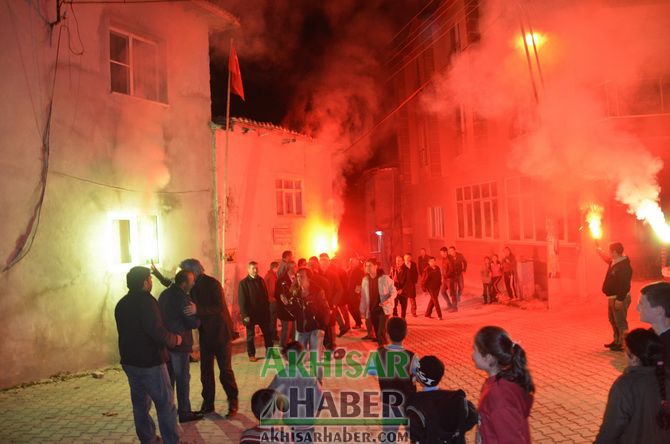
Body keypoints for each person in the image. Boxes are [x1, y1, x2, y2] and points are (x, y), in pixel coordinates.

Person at [115, 266, 182, 444]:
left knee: (140, 405)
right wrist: (175, 339)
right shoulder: (147, 302)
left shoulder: (121, 303)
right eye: (150, 279)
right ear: (145, 282)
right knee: (165, 405)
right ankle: (171, 441)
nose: (152, 282)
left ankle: (148, 439)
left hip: (130, 362)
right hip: (151, 362)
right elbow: (157, 331)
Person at [180, 258, 238, 418]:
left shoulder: (212, 283)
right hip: (205, 334)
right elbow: (174, 285)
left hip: (221, 333)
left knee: (225, 371)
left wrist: (198, 309)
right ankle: (208, 404)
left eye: (185, 272)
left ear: (194, 271)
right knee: (206, 372)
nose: (183, 276)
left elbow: (219, 307)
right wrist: (156, 273)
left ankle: (233, 401)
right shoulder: (191, 285)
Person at [594, 328, 670, 443]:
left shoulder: (626, 385)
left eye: (625, 351)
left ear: (634, 358)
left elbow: (611, 429)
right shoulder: (666, 378)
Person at [472, 326, 534, 444]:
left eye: (475, 350)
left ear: (488, 358)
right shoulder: (500, 382)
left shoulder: (499, 397)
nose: (472, 355)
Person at [157, 270, 202, 423]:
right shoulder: (183, 298)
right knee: (183, 379)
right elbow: (193, 322)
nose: (194, 283)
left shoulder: (164, 295)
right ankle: (184, 412)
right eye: (191, 281)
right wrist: (198, 315)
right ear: (184, 283)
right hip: (180, 344)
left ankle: (170, 412)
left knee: (169, 381)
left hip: (166, 343)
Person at [406, 356, 478, 444]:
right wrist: (457, 432)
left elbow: (413, 433)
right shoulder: (456, 398)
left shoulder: (415, 402)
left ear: (419, 378)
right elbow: (473, 417)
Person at [368, 317, 419, 436]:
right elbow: (418, 375)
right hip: (408, 402)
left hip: (388, 401)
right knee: (414, 434)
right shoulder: (412, 356)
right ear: (406, 333)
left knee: (389, 435)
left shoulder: (377, 353)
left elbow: (372, 372)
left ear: (386, 334)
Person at [269, 341, 323, 442]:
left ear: (285, 357)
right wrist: (316, 416)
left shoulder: (280, 376)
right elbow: (320, 399)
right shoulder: (311, 378)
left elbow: (269, 394)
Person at [281, 268, 329, 356]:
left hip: (315, 328)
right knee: (299, 355)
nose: (299, 279)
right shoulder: (296, 292)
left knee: (315, 356)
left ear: (308, 278)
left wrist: (322, 328)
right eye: (297, 276)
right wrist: (287, 304)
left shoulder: (318, 291)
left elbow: (325, 310)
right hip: (301, 329)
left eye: (302, 276)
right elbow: (294, 313)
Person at [597, 242, 633, 352]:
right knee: (613, 320)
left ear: (615, 252)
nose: (609, 253)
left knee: (620, 321)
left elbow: (625, 285)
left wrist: (620, 299)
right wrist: (599, 251)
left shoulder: (625, 266)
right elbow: (607, 258)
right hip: (612, 297)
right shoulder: (614, 261)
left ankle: (624, 344)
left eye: (610, 251)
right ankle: (617, 340)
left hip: (619, 297)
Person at [238, 261, 274, 362]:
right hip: (250, 314)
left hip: (262, 313)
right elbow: (241, 301)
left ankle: (270, 352)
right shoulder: (243, 283)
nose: (255, 270)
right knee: (250, 336)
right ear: (248, 269)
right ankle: (251, 354)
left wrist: (267, 310)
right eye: (253, 268)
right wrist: (245, 315)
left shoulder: (261, 280)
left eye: (256, 268)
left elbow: (265, 296)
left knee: (267, 333)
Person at [360, 258, 397, 346]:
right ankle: (383, 346)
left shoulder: (384, 278)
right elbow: (363, 296)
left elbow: (394, 291)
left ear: (376, 266)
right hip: (372, 310)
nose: (368, 268)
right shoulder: (365, 280)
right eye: (366, 266)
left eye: (370, 266)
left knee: (381, 332)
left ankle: (383, 351)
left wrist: (388, 300)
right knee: (377, 332)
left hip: (384, 309)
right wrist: (362, 310)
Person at [637, 281, 670, 370]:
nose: (637, 309)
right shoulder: (649, 336)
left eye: (641, 304)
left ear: (658, 310)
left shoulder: (665, 346)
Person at [275, 260, 297, 347]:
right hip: (285, 310)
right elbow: (279, 295)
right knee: (286, 330)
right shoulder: (281, 280)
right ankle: (283, 347)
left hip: (295, 310)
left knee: (295, 330)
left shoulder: (297, 277)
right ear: (289, 268)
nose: (296, 268)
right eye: (294, 267)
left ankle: (295, 347)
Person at [346, 257, 365, 329]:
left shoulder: (359, 271)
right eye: (351, 262)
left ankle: (358, 323)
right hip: (350, 293)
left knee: (354, 308)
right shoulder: (350, 270)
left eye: (354, 262)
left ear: (357, 263)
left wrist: (357, 294)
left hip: (355, 294)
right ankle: (358, 322)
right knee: (351, 308)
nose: (352, 263)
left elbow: (360, 283)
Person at [447, 246, 467, 311]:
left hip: (459, 274)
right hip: (453, 275)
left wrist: (464, 269)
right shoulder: (449, 257)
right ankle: (455, 303)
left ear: (455, 250)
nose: (451, 252)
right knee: (454, 289)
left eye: (452, 251)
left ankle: (459, 295)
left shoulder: (460, 255)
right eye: (450, 251)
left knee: (461, 286)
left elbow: (465, 262)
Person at [264, 261, 280, 343]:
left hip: (269, 300)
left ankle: (271, 335)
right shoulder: (272, 276)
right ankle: (273, 336)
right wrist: (274, 298)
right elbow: (272, 289)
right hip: (272, 301)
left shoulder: (268, 275)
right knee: (272, 320)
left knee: (271, 319)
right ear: (275, 267)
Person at [439, 247, 454, 311]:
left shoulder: (449, 259)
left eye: (441, 253)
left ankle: (454, 307)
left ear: (445, 252)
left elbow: (451, 269)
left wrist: (446, 276)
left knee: (452, 293)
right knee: (442, 291)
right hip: (445, 279)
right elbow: (443, 269)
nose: (441, 254)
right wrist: (443, 277)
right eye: (440, 253)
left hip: (449, 279)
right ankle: (449, 305)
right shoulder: (443, 259)